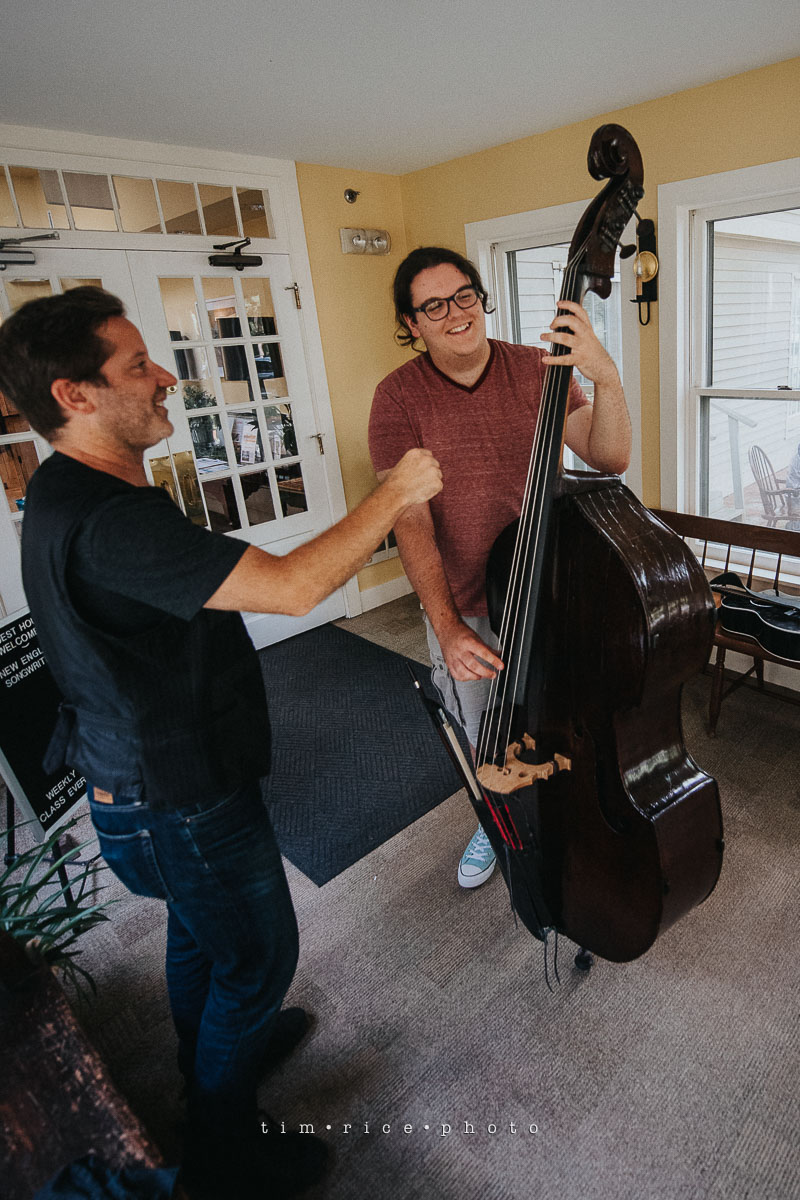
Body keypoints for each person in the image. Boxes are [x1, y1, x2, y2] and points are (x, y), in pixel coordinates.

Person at [0, 287, 441, 1199]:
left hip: (143, 786)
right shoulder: (110, 521)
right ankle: (223, 1146)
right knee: (256, 961)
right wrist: (395, 492)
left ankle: (212, 1053)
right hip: (177, 800)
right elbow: (292, 587)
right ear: (75, 396)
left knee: (202, 936)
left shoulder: (66, 486)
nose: (166, 377)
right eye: (137, 366)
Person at [368, 247, 631, 890]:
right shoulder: (397, 397)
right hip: (466, 604)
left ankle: (573, 816)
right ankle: (497, 826)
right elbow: (410, 522)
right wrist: (446, 626)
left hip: (553, 592)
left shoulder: (538, 369)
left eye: (464, 295)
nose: (455, 313)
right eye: (433, 306)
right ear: (412, 323)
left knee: (569, 721)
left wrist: (607, 377)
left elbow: (610, 457)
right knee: (489, 733)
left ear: (481, 298)